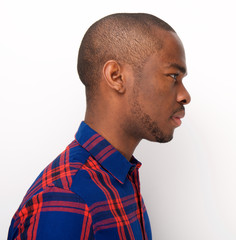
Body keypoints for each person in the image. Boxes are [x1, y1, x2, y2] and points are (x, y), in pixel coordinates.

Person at [8, 13, 191, 240]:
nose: (185, 96)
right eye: (173, 76)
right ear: (116, 76)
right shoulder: (67, 199)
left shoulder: (121, 178)